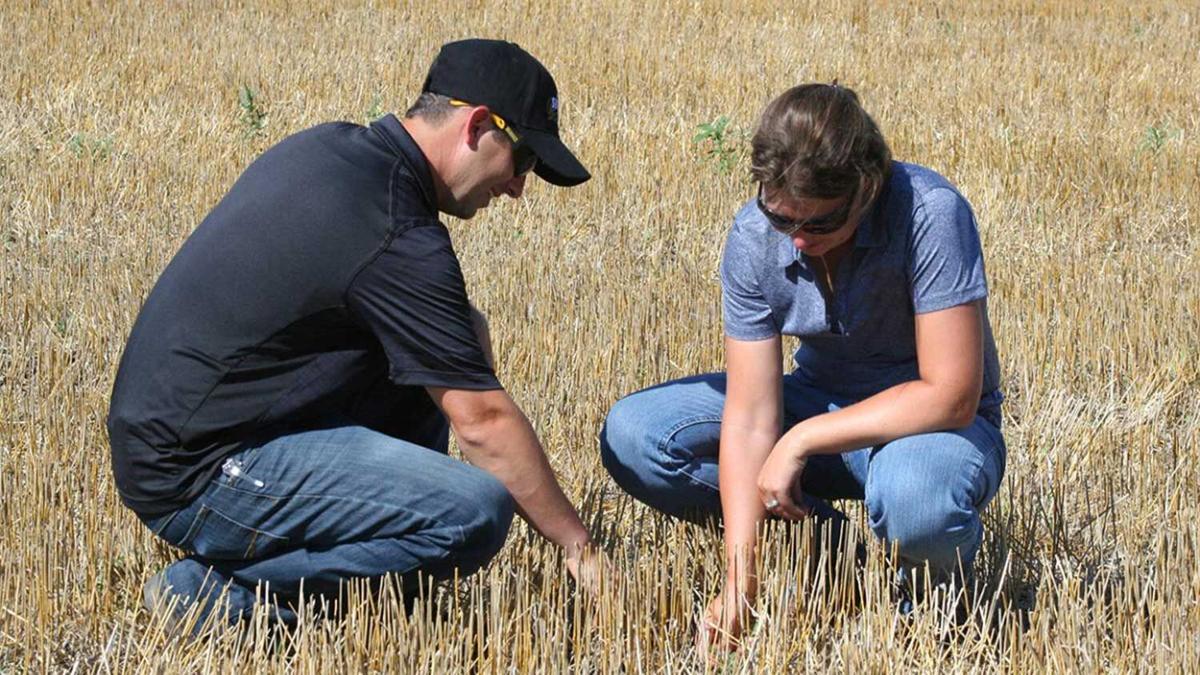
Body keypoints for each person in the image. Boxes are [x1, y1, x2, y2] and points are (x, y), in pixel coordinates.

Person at [107, 38, 602, 633]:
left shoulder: (336, 151)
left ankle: (381, 567)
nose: (520, 187)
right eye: (522, 161)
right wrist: (580, 548)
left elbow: (452, 331)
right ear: (476, 125)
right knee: (472, 512)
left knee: (444, 346)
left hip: (183, 433)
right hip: (196, 471)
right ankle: (219, 596)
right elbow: (484, 424)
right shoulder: (397, 230)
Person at [600, 83, 1006, 649]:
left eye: (817, 225)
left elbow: (952, 394)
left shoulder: (930, 214)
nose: (794, 241)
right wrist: (741, 581)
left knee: (915, 500)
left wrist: (801, 441)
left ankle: (935, 611)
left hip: (934, 429)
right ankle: (843, 558)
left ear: (867, 186)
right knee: (637, 434)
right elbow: (748, 419)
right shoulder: (753, 234)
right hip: (820, 398)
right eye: (779, 218)